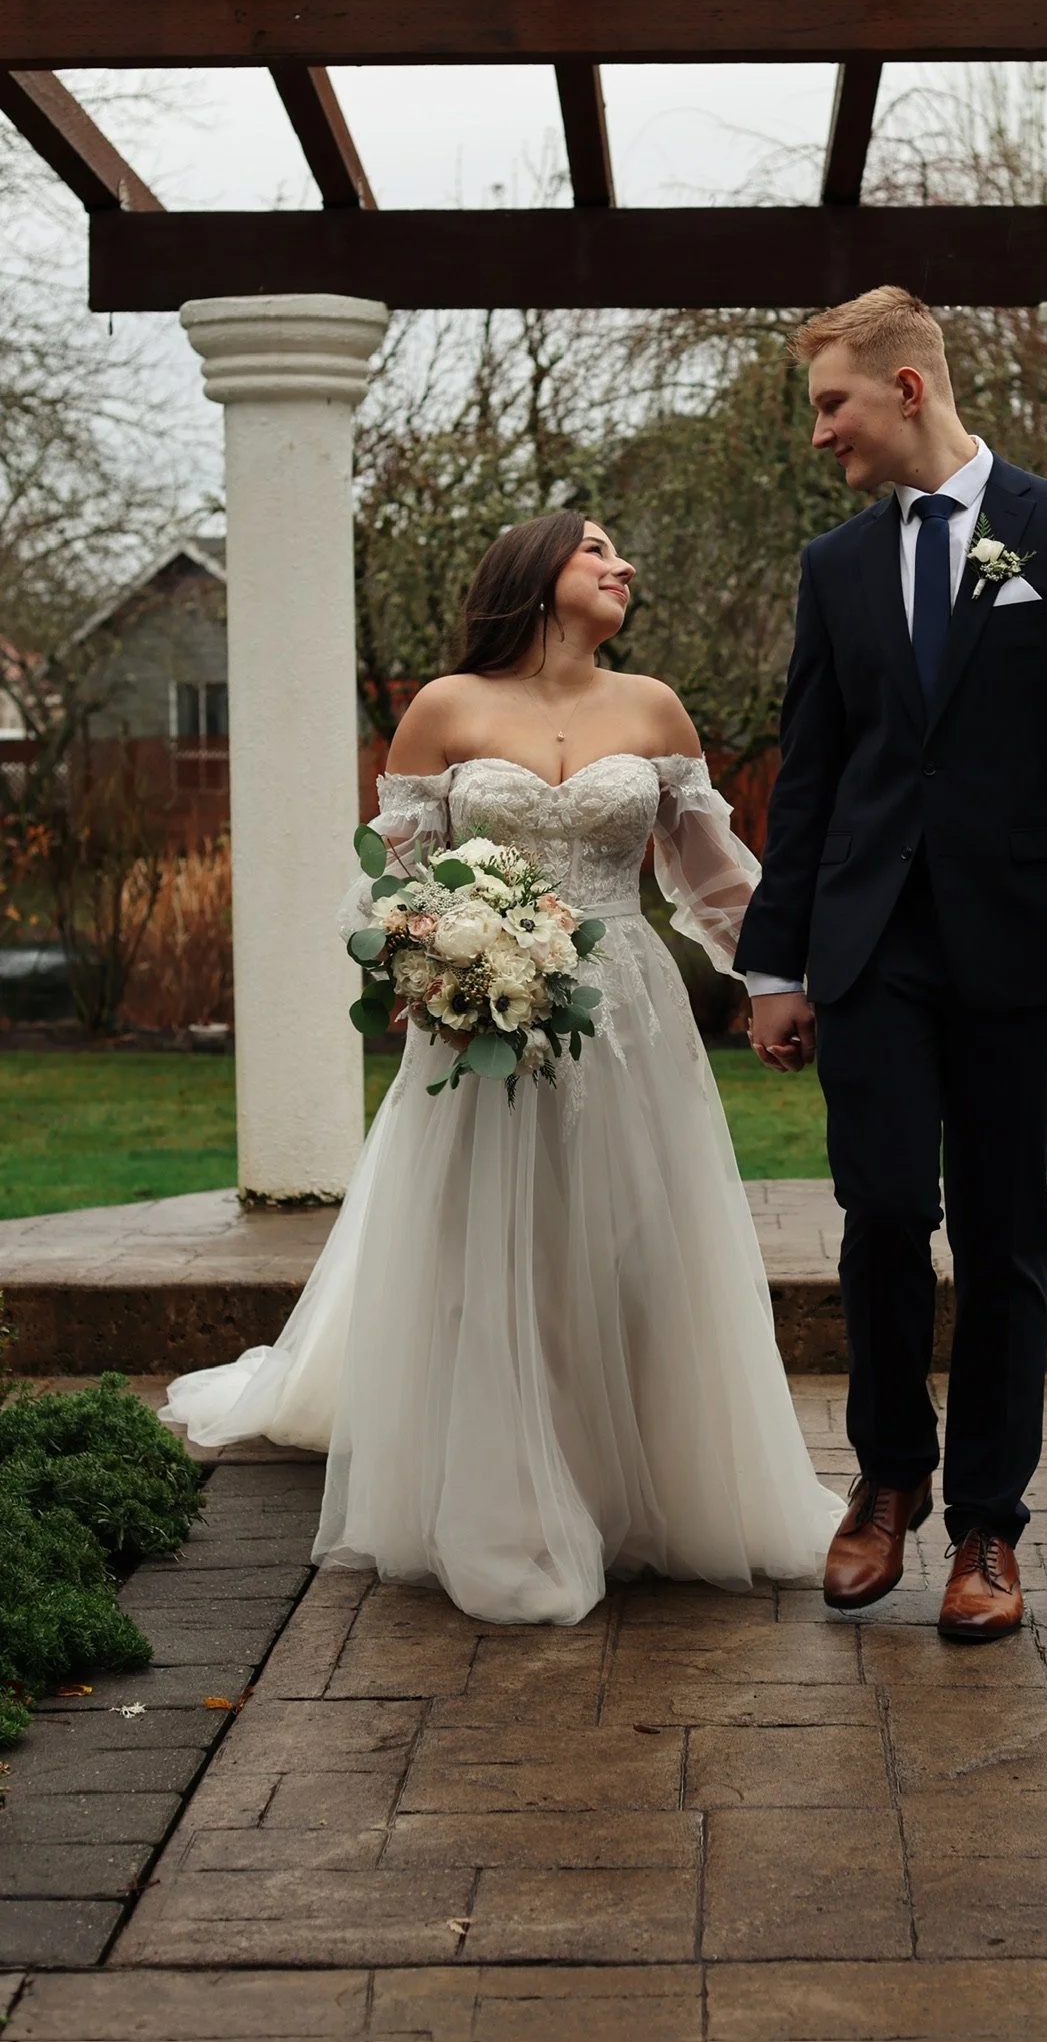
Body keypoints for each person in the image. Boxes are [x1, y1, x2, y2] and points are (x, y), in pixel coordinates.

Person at [163, 512, 841, 1625]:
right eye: (598, 550)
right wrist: (440, 965)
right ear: (537, 576)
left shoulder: (654, 705)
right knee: (494, 1241)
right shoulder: (445, 707)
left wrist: (780, 977)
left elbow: (712, 873)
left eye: (625, 551)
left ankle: (650, 1483)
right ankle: (512, 1496)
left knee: (634, 1239)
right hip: (480, 1016)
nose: (624, 563)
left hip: (625, 1001)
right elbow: (393, 881)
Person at [737, 286, 1047, 1642]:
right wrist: (775, 965)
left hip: (1019, 942)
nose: (821, 436)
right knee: (877, 1211)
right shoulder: (836, 568)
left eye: (832, 403)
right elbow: (808, 778)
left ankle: (988, 1520)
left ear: (908, 388)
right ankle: (887, 1481)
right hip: (871, 947)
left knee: (1002, 1232)